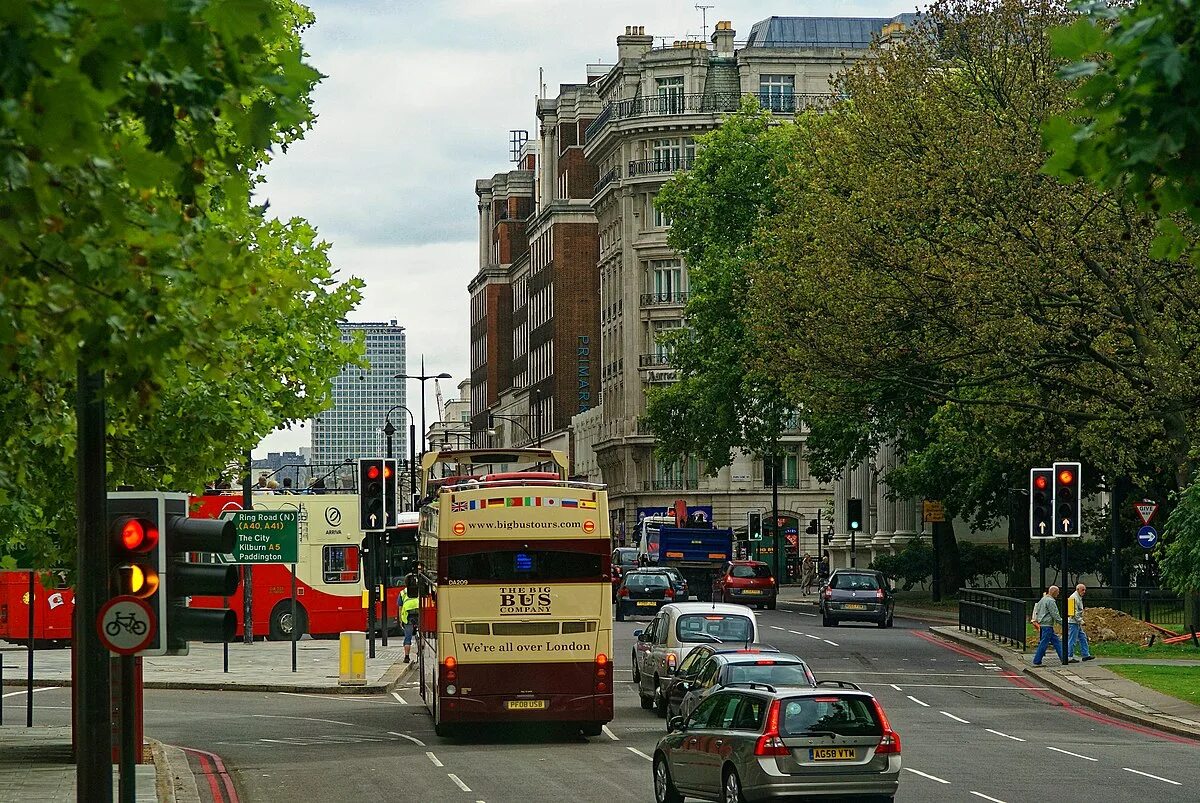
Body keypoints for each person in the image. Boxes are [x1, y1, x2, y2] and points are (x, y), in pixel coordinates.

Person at [1031, 585, 1072, 667]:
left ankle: (1064, 657)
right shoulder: (1050, 601)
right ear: (1054, 592)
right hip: (1047, 625)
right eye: (1057, 592)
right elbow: (1055, 614)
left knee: (1056, 641)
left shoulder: (1043, 599)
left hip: (1043, 623)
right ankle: (1037, 660)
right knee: (1044, 643)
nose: (1058, 594)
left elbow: (1037, 610)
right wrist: (1063, 623)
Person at [1067, 583, 1095, 661]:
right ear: (1077, 590)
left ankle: (1085, 655)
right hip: (1073, 622)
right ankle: (1069, 657)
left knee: (1083, 638)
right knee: (1072, 640)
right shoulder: (1073, 598)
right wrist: (1081, 621)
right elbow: (1073, 612)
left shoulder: (1078, 597)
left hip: (1076, 622)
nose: (1084, 591)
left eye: (1085, 590)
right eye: (1083, 590)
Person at [399, 583, 420, 663]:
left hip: (408, 615)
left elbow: (400, 608)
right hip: (418, 612)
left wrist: (401, 620)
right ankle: (421, 653)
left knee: (408, 637)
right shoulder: (419, 590)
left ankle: (406, 657)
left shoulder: (402, 592)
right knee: (422, 635)